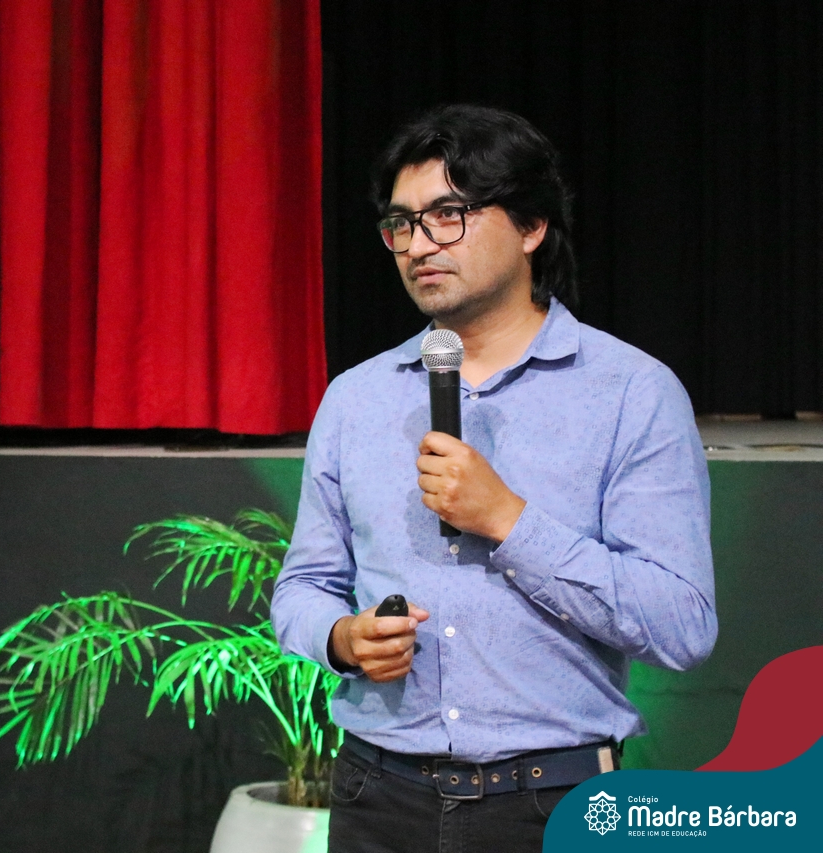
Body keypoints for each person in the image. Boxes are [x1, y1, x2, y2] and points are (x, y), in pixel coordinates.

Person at [270, 105, 716, 852]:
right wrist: (342, 639)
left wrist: (510, 520)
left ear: (532, 225)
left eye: (448, 216)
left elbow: (680, 625)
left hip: (554, 801)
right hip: (376, 796)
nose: (419, 244)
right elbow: (303, 587)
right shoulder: (355, 397)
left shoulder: (632, 392)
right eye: (401, 224)